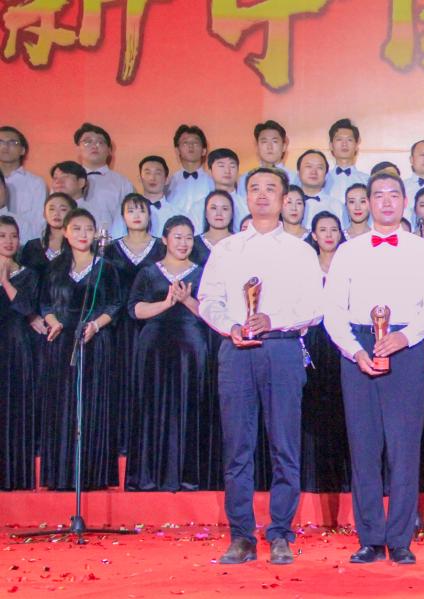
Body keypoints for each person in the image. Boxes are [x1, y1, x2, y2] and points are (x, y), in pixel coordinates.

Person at [198, 167, 323, 566]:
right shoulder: (227, 250)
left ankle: (281, 532)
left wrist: (274, 319)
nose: (263, 195)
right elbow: (208, 300)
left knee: (285, 445)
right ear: (245, 197)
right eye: (254, 188)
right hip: (236, 351)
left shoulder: (300, 250)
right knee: (238, 447)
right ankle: (241, 536)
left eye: (271, 188)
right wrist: (229, 326)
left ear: (285, 199)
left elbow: (315, 308)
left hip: (282, 349)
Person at [323, 171, 424, 565]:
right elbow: (333, 310)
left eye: (393, 195)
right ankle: (370, 537)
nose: (386, 201)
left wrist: (405, 337)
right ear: (367, 203)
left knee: (404, 448)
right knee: (364, 446)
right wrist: (355, 351)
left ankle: (401, 538)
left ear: (405, 202)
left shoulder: (422, 251)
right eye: (378, 195)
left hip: (406, 348)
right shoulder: (348, 251)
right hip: (358, 349)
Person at [125, 215, 211, 491]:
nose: (183, 243)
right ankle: (149, 476)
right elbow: (135, 309)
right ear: (164, 239)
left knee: (191, 404)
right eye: (177, 237)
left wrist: (186, 300)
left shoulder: (202, 272)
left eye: (188, 238)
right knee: (152, 406)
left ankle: (188, 476)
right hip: (154, 347)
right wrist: (166, 303)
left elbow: (210, 314)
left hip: (191, 348)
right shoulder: (148, 272)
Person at [39, 208, 122, 490]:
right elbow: (45, 303)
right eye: (76, 228)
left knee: (91, 403)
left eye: (88, 229)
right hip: (62, 341)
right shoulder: (54, 267)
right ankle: (60, 474)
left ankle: (91, 475)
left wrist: (96, 325)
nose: (83, 234)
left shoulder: (105, 267)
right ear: (65, 232)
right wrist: (53, 322)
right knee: (62, 404)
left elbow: (115, 304)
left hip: (94, 340)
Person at [105, 194, 166, 455]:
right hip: (120, 325)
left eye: (141, 210)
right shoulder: (110, 249)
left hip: (155, 324)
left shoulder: (161, 247)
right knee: (122, 380)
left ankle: (150, 441)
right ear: (123, 216)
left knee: (152, 379)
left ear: (150, 215)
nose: (137, 215)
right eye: (131, 210)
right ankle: (123, 441)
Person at [301, 212, 349, 494]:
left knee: (344, 407)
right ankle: (314, 480)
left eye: (334, 229)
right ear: (314, 235)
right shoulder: (305, 266)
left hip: (343, 341)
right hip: (313, 340)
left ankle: (344, 479)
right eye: (323, 229)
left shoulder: (349, 264)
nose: (329, 235)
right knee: (314, 406)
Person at [0, 216, 37, 489]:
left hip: (17, 345)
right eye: (2, 236)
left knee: (14, 408)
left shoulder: (28, 274)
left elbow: (26, 309)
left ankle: (14, 475)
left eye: (13, 236)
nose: (9, 241)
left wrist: (5, 281)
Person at [76, 123, 134, 232]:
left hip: (112, 240)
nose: (94, 146)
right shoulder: (67, 180)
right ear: (78, 149)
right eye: (87, 142)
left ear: (109, 150)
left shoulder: (122, 183)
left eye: (100, 142)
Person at [110, 155, 182, 239]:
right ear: (140, 178)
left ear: (167, 180)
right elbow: (116, 239)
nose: (152, 178)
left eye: (158, 173)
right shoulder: (127, 211)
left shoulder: (177, 214)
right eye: (147, 173)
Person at [0, 126, 47, 240]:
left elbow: (39, 226)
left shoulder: (35, 183)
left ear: (22, 150)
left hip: (25, 245)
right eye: (0, 142)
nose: (5, 146)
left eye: (12, 142)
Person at [166, 125, 214, 216]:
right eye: (185, 143)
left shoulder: (212, 182)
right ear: (177, 150)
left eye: (195, 143)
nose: (190, 146)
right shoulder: (168, 183)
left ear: (204, 151)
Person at [324, 118, 370, 213]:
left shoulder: (367, 181)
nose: (344, 144)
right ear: (331, 145)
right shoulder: (322, 180)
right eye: (339, 139)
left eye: (349, 140)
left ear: (356, 146)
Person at [189, 190, 235, 266]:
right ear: (205, 213)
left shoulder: (240, 242)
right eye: (213, 208)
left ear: (232, 214)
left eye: (225, 209)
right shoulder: (194, 244)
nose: (219, 213)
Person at [206, 148, 248, 230]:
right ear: (210, 171)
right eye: (221, 166)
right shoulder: (199, 206)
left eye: (232, 166)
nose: (227, 171)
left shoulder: (247, 204)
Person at [295, 150, 334, 230]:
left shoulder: (336, 206)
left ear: (326, 175)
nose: (313, 172)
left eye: (319, 167)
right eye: (308, 166)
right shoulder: (286, 203)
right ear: (298, 172)